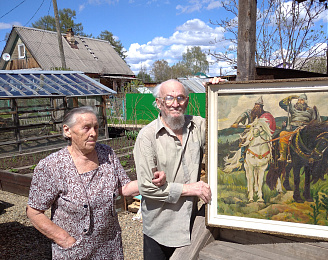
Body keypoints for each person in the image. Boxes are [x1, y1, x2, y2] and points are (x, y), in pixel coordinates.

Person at [26, 106, 165, 259]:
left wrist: (151, 182)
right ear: (67, 130)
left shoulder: (107, 153)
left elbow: (123, 187)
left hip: (109, 247)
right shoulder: (52, 166)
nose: (93, 133)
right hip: (74, 250)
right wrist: (65, 240)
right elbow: (34, 211)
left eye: (96, 127)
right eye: (86, 128)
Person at [133, 78, 221, 259]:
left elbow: (224, 123)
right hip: (161, 228)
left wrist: (219, 92)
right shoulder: (147, 137)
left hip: (192, 223)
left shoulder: (197, 126)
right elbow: (146, 188)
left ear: (187, 101)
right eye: (169, 98)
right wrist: (190, 189)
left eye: (180, 98)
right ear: (158, 103)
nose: (175, 104)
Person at [231, 96, 276, 164]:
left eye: (259, 105)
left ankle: (271, 157)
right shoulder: (249, 112)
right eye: (256, 105)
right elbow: (242, 116)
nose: (257, 106)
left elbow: (269, 122)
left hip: (262, 131)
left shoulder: (265, 114)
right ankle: (242, 156)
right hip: (250, 130)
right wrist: (236, 122)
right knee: (245, 139)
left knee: (269, 140)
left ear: (261, 107)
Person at [277, 94, 320, 161]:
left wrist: (306, 127)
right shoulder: (292, 108)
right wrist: (289, 98)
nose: (299, 101)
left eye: (302, 100)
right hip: (293, 128)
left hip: (305, 129)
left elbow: (314, 121)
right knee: (282, 134)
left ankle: (312, 156)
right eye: (298, 100)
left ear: (305, 101)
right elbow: (281, 104)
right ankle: (283, 155)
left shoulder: (311, 110)